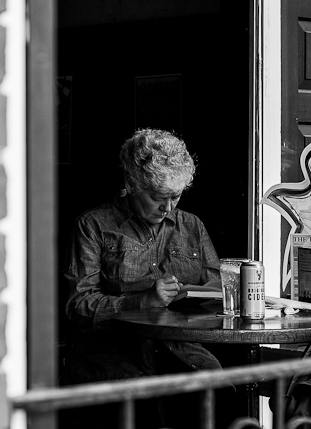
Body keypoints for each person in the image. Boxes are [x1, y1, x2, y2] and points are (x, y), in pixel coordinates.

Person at [62, 128, 229, 428]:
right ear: (131, 184)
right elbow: (78, 307)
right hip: (109, 351)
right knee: (141, 403)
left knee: (217, 389)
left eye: (175, 197)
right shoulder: (93, 226)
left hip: (179, 348)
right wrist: (143, 301)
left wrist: (219, 297)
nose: (167, 208)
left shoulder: (192, 226)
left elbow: (216, 294)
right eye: (157, 198)